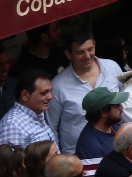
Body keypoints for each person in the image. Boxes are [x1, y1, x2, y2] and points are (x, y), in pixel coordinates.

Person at [47, 29, 122, 157]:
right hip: (77, 158)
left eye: (90, 49)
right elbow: (51, 127)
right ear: (68, 54)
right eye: (80, 52)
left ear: (95, 44)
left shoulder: (112, 67)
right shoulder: (58, 86)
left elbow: (123, 102)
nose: (87, 56)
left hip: (116, 148)